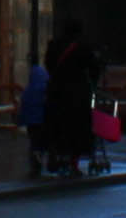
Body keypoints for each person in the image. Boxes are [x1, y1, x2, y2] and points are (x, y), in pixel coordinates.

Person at [43, 18, 100, 177]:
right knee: (77, 128)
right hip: (77, 93)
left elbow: (48, 65)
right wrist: (92, 82)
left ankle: (57, 155)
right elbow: (94, 68)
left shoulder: (53, 45)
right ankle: (73, 162)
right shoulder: (83, 47)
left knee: (58, 125)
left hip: (56, 91)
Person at [16, 60, 50, 176]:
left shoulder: (28, 92)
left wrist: (20, 121)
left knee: (34, 144)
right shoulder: (46, 91)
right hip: (43, 123)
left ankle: (35, 167)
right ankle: (40, 163)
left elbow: (23, 109)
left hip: (32, 124)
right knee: (41, 145)